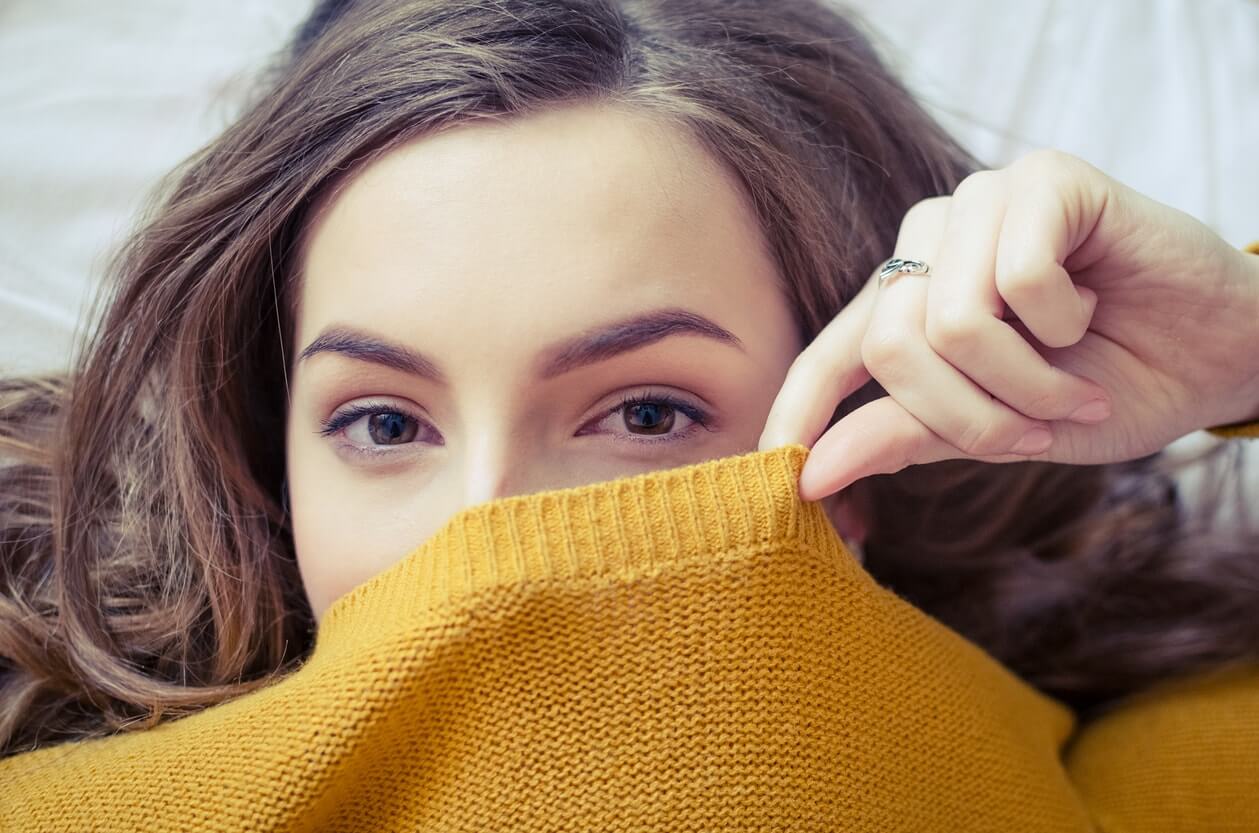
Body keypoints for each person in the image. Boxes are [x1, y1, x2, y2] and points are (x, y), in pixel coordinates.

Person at [1, 0, 1256, 828]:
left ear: (880, 429)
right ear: (268, 456)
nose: (480, 535)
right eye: (383, 425)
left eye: (646, 412)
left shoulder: (1174, 766)